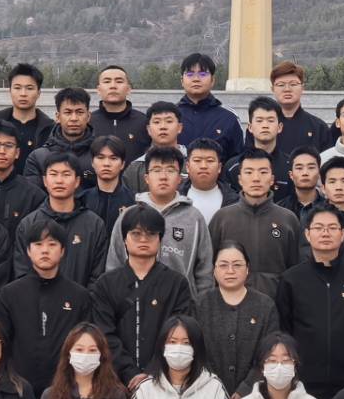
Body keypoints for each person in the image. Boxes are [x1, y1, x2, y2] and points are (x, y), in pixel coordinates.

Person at [275, 204, 344, 399]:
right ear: (307, 234)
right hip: (304, 383)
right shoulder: (291, 279)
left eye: (332, 228)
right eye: (319, 228)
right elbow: (284, 331)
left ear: (343, 234)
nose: (325, 233)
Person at [93, 205, 195, 384]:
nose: (143, 239)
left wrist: (152, 371)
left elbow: (180, 332)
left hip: (164, 379)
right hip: (114, 381)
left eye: (151, 234)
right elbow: (104, 334)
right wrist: (129, 372)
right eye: (136, 234)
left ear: (160, 239)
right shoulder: (106, 284)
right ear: (124, 239)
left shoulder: (177, 284)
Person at [0, 219, 96, 395]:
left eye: (52, 244)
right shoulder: (10, 293)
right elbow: (1, 341)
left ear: (62, 250)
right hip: (18, 389)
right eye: (38, 244)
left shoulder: (79, 296)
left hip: (65, 388)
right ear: (28, 250)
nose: (45, 250)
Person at [110, 143, 212, 292]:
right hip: (133, 300)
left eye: (170, 170)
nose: (163, 177)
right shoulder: (128, 215)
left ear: (180, 178)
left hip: (180, 301)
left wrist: (198, 303)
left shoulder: (194, 217)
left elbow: (205, 272)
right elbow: (114, 264)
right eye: (156, 170)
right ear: (146, 178)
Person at [211, 149, 301, 294]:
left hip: (276, 301)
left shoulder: (288, 219)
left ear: (272, 179)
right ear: (240, 179)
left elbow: (295, 269)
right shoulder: (222, 218)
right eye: (249, 172)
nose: (256, 178)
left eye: (263, 172)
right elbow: (210, 267)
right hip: (230, 301)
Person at [197, 243, 281, 395]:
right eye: (223, 265)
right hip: (206, 392)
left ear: (247, 268)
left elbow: (271, 353)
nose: (230, 271)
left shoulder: (265, 306)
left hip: (255, 395)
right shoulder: (200, 304)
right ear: (214, 270)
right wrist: (213, 387)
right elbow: (195, 351)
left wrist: (247, 387)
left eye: (237, 265)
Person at [12, 152, 108, 285]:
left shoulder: (94, 225)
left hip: (82, 298)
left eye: (66, 174)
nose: (59, 180)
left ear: (77, 181)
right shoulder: (29, 224)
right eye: (53, 174)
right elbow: (22, 272)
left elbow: (97, 276)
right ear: (45, 180)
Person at [176, 50, 242, 160]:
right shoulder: (171, 116)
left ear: (212, 80)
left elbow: (237, 161)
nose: (196, 79)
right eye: (190, 74)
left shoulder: (228, 118)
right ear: (182, 81)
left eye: (202, 74)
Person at [269, 60, 330, 172]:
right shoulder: (262, 126)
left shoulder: (319, 127)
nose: (287, 89)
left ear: (302, 88)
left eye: (293, 84)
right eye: (281, 85)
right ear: (272, 89)